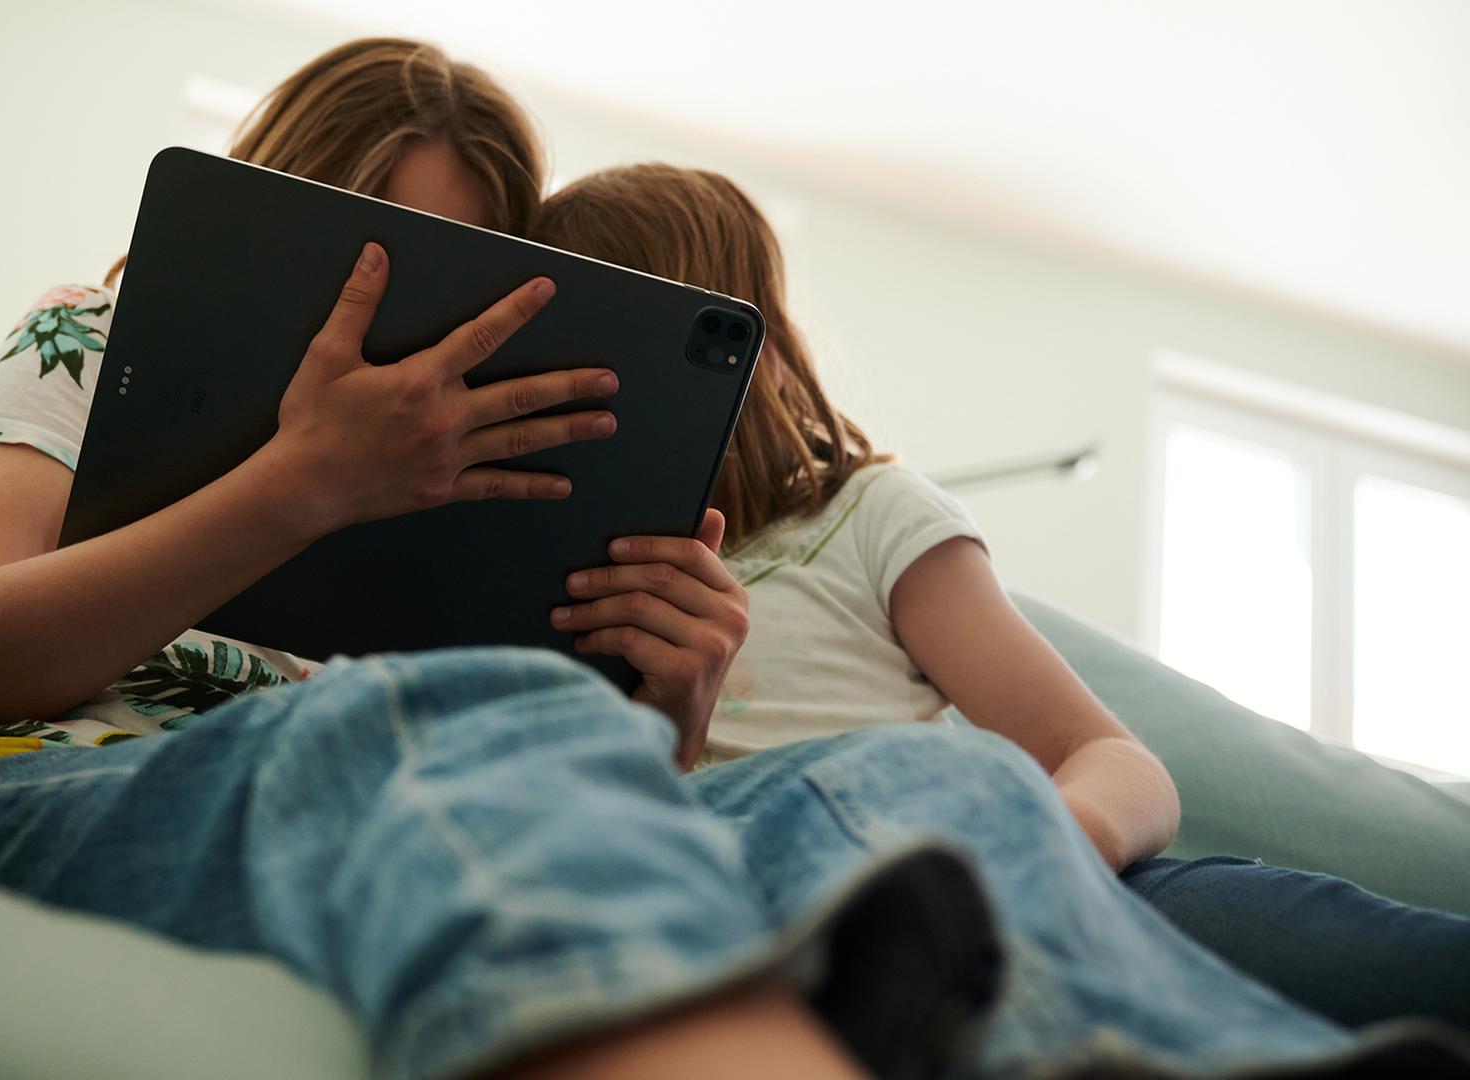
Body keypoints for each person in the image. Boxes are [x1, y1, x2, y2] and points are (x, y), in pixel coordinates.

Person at [0, 39, 1469, 1080]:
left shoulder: (463, 468)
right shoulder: (84, 339)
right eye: (341, 263)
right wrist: (298, 488)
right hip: (56, 783)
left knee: (946, 790)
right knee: (442, 725)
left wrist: (671, 715)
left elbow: (565, 788)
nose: (378, 364)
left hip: (377, 783)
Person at [530, 162, 1470, 1031]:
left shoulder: (863, 516)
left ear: (757, 348)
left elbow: (1117, 762)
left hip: (1050, 882)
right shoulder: (550, 584)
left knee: (1372, 960)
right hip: (821, 942)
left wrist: (1042, 857)